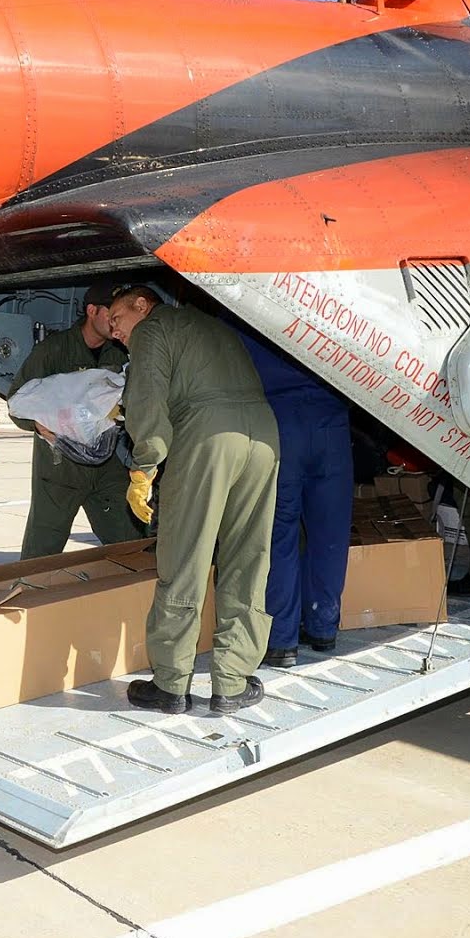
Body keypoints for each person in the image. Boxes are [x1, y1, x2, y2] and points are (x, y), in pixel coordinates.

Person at [106, 288, 279, 715]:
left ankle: (169, 684)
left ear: (141, 305)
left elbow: (147, 398)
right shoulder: (212, 325)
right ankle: (233, 682)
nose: (114, 331)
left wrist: (144, 466)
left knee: (184, 556)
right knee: (248, 556)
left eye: (116, 318)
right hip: (263, 435)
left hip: (208, 437)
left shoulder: (153, 328)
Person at [236, 329, 353, 665]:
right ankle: (323, 627)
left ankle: (281, 639)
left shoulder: (245, 305)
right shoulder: (327, 302)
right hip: (332, 420)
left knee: (279, 535)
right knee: (329, 534)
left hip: (279, 421)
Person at [8, 279, 145, 558]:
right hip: (61, 470)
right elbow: (17, 402)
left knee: (130, 544)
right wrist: (38, 425)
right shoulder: (53, 350)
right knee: (41, 552)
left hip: (107, 465)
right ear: (93, 311)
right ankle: (30, 599)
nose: (118, 322)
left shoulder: (120, 352)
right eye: (112, 313)